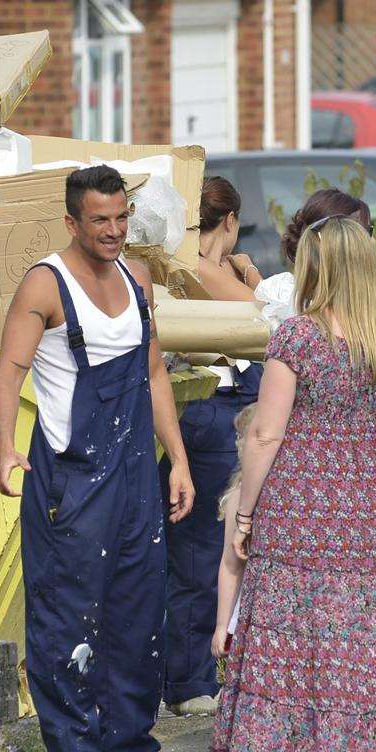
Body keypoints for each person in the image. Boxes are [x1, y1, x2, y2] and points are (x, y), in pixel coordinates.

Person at [193, 216, 376, 752]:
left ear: (315, 267)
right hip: (373, 509)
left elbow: (267, 432)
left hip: (303, 507)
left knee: (294, 649)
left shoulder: (298, 337)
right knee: (366, 651)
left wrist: (245, 510)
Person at [0, 165, 198, 752]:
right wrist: (5, 448)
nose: (113, 231)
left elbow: (157, 375)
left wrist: (180, 459)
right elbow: (8, 373)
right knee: (68, 615)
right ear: (72, 222)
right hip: (70, 478)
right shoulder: (44, 284)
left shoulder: (139, 281)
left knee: (139, 615)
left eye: (121, 218)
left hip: (137, 472)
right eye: (100, 220)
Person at [161, 178, 266, 717]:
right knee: (205, 550)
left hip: (210, 408)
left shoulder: (183, 266)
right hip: (214, 409)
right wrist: (247, 272)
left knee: (201, 549)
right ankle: (189, 679)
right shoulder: (205, 270)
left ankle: (189, 672)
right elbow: (266, 313)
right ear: (230, 221)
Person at [209, 405, 257, 656]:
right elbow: (230, 565)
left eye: (243, 436)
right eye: (239, 437)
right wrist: (221, 626)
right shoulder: (238, 498)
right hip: (246, 618)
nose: (238, 443)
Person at [195, 175, 261, 302]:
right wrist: (250, 269)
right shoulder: (201, 267)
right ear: (230, 220)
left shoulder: (220, 265)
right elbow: (269, 310)